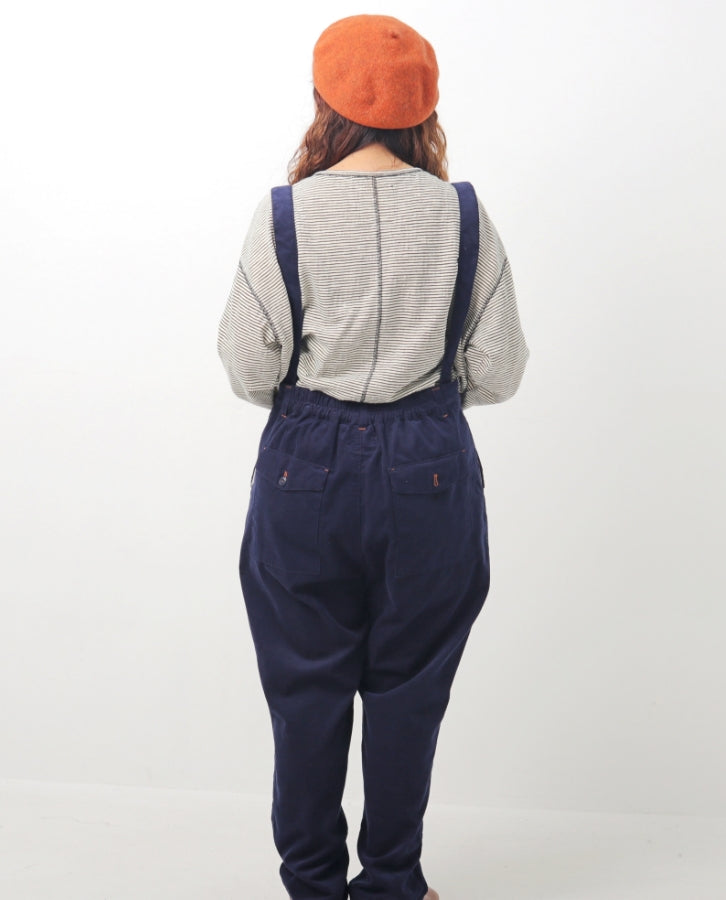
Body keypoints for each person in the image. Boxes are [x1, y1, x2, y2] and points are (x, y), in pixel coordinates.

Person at [217, 13, 530, 900]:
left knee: (304, 691)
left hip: (304, 465)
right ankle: (393, 881)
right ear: (424, 107)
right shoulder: (464, 215)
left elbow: (247, 366)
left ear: (325, 101)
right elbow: (499, 368)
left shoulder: (285, 215)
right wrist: (420, 394)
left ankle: (313, 885)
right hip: (429, 462)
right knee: (409, 690)